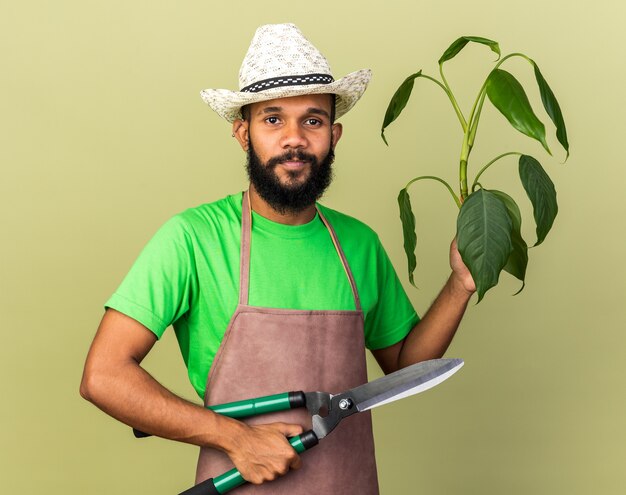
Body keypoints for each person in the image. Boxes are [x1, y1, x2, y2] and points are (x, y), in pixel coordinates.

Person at [80, 23, 476, 494]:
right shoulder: (192, 238)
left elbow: (406, 368)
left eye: (312, 120)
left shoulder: (359, 244)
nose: (294, 138)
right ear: (243, 134)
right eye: (272, 120)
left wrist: (460, 283)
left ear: (335, 133)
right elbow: (104, 375)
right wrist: (234, 437)